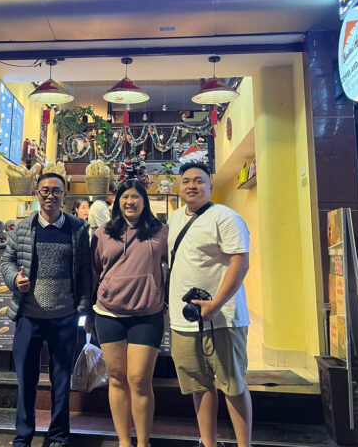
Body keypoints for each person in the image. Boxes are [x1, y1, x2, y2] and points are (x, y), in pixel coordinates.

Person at [1, 172, 91, 447]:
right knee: (26, 380)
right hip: (29, 317)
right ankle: (23, 437)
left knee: (61, 381)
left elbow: (84, 272)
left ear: (65, 195)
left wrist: (82, 310)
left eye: (56, 190)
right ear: (36, 193)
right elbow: (7, 262)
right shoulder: (23, 228)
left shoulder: (78, 229)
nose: (50, 195)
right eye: (45, 190)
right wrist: (14, 279)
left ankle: (58, 436)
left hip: (64, 317)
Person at [167, 162, 252, 447]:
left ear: (210, 187)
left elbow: (240, 263)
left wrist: (215, 304)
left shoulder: (225, 217)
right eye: (186, 181)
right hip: (184, 321)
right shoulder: (174, 219)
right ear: (179, 187)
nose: (191, 185)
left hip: (223, 318)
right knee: (199, 386)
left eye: (199, 181)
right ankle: (208, 442)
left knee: (233, 385)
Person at [86, 179, 168, 447]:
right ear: (117, 202)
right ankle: (123, 441)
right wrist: (87, 312)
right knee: (117, 379)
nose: (130, 202)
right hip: (108, 314)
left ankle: (143, 442)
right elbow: (94, 272)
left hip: (148, 315)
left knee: (139, 379)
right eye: (125, 197)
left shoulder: (160, 232)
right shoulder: (102, 233)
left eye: (135, 197)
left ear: (144, 201)